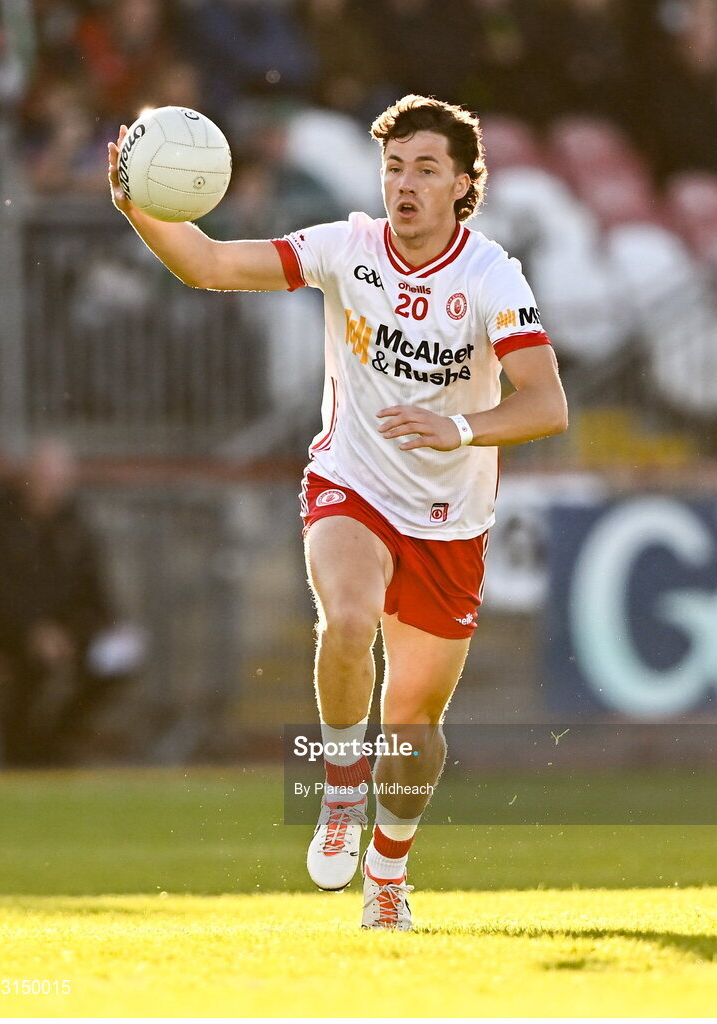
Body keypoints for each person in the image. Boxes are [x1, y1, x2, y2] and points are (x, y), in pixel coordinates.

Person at [107, 94, 568, 930]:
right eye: (395, 167)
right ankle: (340, 789)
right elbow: (209, 265)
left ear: (465, 185)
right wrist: (137, 207)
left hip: (448, 518)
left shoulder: (490, 275)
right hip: (349, 484)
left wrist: (457, 426)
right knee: (348, 619)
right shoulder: (345, 248)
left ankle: (388, 872)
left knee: (414, 724)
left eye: (427, 169)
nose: (406, 184)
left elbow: (546, 405)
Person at [0, 439, 142, 766]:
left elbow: (94, 591)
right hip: (4, 632)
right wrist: (33, 630)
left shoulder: (76, 527)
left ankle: (55, 739)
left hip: (63, 631)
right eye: (44, 478)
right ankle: (23, 751)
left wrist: (99, 628)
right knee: (33, 666)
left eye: (59, 480)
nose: (52, 488)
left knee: (116, 662)